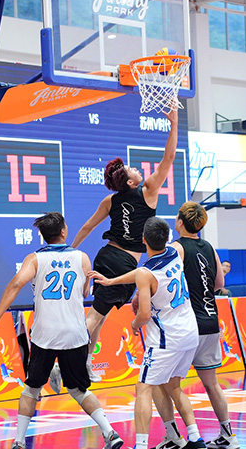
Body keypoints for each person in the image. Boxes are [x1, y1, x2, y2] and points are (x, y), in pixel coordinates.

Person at [0, 212, 124, 449]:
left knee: (31, 389)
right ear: (63, 232)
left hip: (45, 335)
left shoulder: (35, 259)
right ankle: (109, 433)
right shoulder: (82, 258)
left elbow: (15, 284)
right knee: (78, 390)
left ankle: (18, 443)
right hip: (75, 335)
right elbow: (84, 291)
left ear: (43, 235)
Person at [89, 217, 208, 449]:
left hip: (166, 338)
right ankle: (194, 438)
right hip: (189, 332)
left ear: (143, 241)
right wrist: (112, 281)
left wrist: (134, 325)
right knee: (173, 386)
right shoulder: (175, 252)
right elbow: (140, 274)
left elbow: (143, 314)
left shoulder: (146, 273)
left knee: (143, 387)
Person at [72, 109, 180, 381]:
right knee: (94, 317)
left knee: (100, 316)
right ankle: (65, 361)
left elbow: (87, 227)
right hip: (123, 264)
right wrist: (174, 124)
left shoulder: (110, 201)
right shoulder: (149, 191)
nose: (137, 169)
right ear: (131, 182)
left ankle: (85, 362)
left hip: (106, 255)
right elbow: (168, 158)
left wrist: (71, 249)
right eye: (133, 169)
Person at [149, 202, 238, 449]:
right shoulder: (209, 248)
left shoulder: (176, 248)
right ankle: (228, 435)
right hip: (211, 321)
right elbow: (219, 283)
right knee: (212, 384)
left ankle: (174, 436)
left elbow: (164, 280)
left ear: (179, 222)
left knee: (161, 382)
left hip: (186, 325)